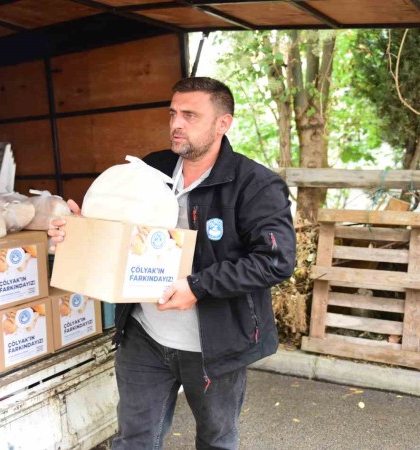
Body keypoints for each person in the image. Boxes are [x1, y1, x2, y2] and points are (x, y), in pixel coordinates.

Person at [49, 77, 296, 450]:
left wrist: (197, 287)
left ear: (222, 124)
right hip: (146, 335)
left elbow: (275, 260)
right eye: (173, 113)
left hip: (215, 346)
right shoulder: (152, 168)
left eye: (190, 115)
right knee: (134, 440)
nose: (176, 123)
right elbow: (123, 233)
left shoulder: (255, 184)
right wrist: (83, 229)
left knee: (216, 439)